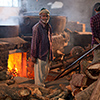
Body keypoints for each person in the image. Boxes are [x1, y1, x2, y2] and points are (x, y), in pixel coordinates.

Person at [31, 8, 52, 87]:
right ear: (40, 17)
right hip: (40, 54)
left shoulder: (48, 27)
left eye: (47, 16)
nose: (45, 18)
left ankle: (41, 86)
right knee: (39, 74)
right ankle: (39, 88)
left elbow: (50, 41)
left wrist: (51, 54)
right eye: (43, 16)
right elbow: (34, 43)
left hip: (47, 53)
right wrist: (33, 55)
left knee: (45, 71)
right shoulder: (37, 28)